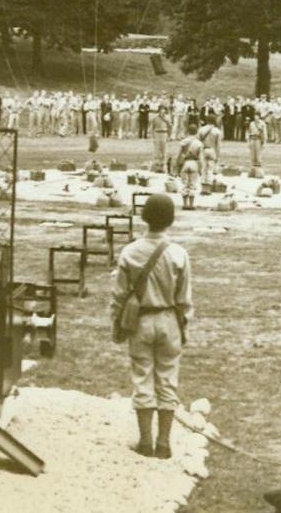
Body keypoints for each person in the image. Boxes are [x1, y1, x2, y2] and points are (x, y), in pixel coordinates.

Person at [110, 193, 193, 461]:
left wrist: (117, 324)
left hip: (141, 321)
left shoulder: (130, 251)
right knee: (168, 380)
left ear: (144, 217)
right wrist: (185, 327)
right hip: (169, 319)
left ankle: (145, 442)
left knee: (142, 378)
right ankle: (164, 444)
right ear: (170, 219)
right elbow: (184, 298)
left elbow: (119, 295)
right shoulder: (179, 254)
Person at [176, 129, 203, 210]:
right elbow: (201, 158)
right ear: (196, 132)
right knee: (192, 184)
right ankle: (191, 205)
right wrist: (200, 168)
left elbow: (178, 155)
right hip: (194, 163)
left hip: (185, 162)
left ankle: (185, 204)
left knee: (185, 183)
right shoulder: (199, 143)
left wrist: (177, 166)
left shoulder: (183, 142)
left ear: (188, 132)